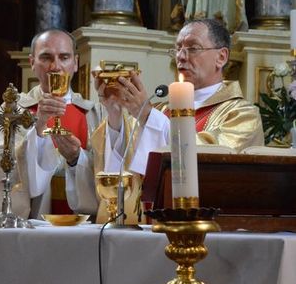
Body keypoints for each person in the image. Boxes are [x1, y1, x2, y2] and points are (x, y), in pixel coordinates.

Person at [72, 18, 264, 221]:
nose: (180, 57)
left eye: (192, 48)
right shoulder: (162, 110)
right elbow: (129, 168)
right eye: (178, 48)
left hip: (208, 227)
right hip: (151, 226)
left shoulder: (242, 115)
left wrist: (145, 115)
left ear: (221, 57)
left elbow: (208, 161)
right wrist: (115, 114)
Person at [0, 29, 106, 220]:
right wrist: (36, 132)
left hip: (81, 227)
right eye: (46, 57)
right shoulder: (13, 110)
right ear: (32, 63)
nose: (55, 66)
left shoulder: (94, 113)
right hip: (28, 223)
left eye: (64, 57)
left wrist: (76, 159)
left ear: (75, 63)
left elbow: (111, 173)